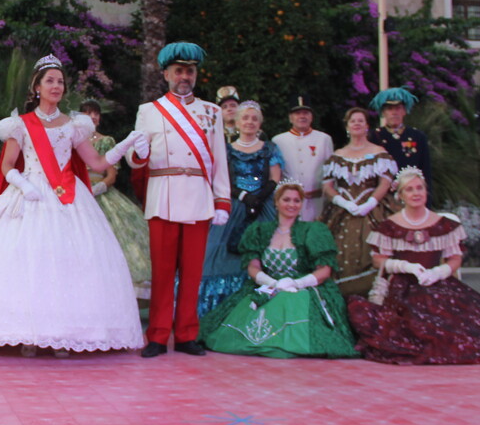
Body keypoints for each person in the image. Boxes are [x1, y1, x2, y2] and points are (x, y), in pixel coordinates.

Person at [0, 55, 147, 357]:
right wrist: (23, 185)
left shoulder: (74, 125)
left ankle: (65, 334)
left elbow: (97, 163)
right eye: (50, 81)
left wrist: (125, 144)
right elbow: (6, 165)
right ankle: (29, 334)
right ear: (37, 87)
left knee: (69, 264)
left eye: (60, 81)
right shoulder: (20, 124)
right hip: (30, 194)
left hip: (68, 197)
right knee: (29, 263)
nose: (56, 86)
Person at [347, 167, 480, 364]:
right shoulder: (389, 226)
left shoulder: (443, 224)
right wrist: (405, 266)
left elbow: (455, 258)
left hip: (438, 283)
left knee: (476, 319)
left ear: (426, 191)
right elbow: (378, 260)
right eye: (409, 189)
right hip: (404, 287)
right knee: (419, 322)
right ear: (400, 195)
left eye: (419, 188)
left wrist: (439, 271)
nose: (416, 193)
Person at [127, 42, 232, 358]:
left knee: (192, 273)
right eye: (178, 71)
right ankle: (158, 335)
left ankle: (187, 334)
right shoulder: (149, 111)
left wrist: (222, 200)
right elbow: (134, 158)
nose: (184, 76)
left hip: (198, 197)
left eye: (189, 71)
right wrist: (138, 155)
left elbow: (219, 159)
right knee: (161, 273)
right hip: (164, 196)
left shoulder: (212, 112)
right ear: (166, 74)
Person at [200, 180, 359, 358]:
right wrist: (271, 282)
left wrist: (296, 283)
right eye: (286, 199)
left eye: (297, 200)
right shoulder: (260, 231)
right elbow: (253, 266)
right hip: (268, 285)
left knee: (289, 300)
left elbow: (325, 271)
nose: (292, 204)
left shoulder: (313, 230)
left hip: (303, 289)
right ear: (276, 202)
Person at [198, 100, 282, 316]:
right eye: (245, 118)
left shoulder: (270, 148)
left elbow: (275, 178)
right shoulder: (226, 150)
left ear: (260, 123)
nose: (249, 122)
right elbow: (222, 178)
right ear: (237, 122)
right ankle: (219, 307)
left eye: (254, 119)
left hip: (263, 205)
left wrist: (258, 198)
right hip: (235, 204)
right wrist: (244, 196)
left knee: (265, 250)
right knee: (219, 252)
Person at [321, 106, 397, 297]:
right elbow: (328, 187)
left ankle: (373, 294)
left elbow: (385, 183)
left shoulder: (378, 152)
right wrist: (343, 202)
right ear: (347, 126)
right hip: (342, 211)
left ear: (367, 126)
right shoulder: (338, 155)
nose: (356, 124)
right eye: (352, 121)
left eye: (360, 121)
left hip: (372, 210)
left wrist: (370, 203)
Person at [79, 99, 151, 300]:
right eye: (88, 113)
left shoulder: (106, 141)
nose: (93, 117)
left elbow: (111, 175)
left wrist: (99, 187)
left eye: (96, 113)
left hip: (101, 196)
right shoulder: (72, 142)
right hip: (77, 195)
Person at [271, 95, 334, 222]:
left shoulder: (324, 139)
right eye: (297, 113)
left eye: (306, 113)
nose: (302, 116)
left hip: (316, 202)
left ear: (311, 117)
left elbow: (330, 172)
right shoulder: (278, 140)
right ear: (290, 118)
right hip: (288, 204)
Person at [369, 87, 433, 206]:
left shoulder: (417, 136)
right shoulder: (374, 137)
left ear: (404, 111)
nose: (394, 112)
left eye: (398, 108)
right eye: (389, 109)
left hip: (412, 197)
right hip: (383, 199)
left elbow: (426, 171)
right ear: (383, 112)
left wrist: (426, 204)